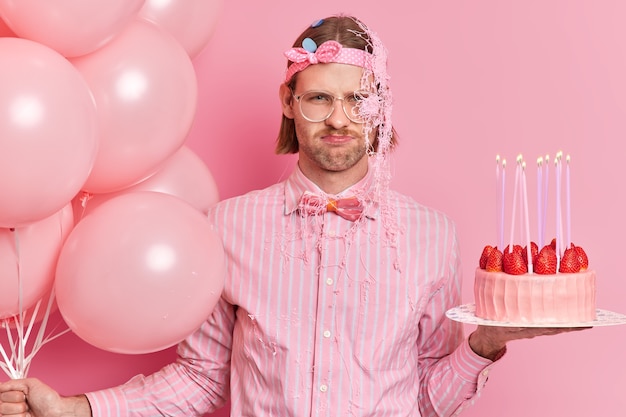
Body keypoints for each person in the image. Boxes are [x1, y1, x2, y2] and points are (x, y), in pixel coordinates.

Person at [0, 14, 582, 417]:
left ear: (381, 108)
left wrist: (486, 343)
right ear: (289, 102)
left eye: (358, 99)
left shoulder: (433, 236)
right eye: (319, 97)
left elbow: (426, 400)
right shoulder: (226, 227)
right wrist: (75, 409)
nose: (338, 118)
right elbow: (202, 380)